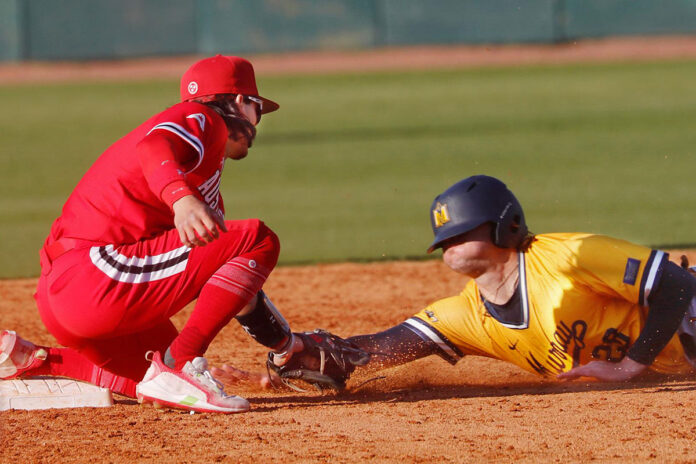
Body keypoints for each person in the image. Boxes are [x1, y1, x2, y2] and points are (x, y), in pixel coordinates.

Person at [0, 55, 306, 414]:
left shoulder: (201, 179)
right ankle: (183, 363)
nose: (257, 122)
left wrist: (287, 344)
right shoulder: (206, 120)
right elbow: (154, 144)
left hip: (73, 295)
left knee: (153, 381)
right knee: (258, 237)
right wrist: (181, 200)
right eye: (257, 108)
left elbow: (232, 282)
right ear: (239, 101)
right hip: (96, 276)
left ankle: (32, 359)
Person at [215, 175, 696, 390]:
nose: (449, 243)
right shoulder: (464, 317)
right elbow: (360, 355)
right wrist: (281, 364)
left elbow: (674, 283)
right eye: (443, 238)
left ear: (506, 228)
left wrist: (631, 366)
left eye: (462, 231)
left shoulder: (570, 255)